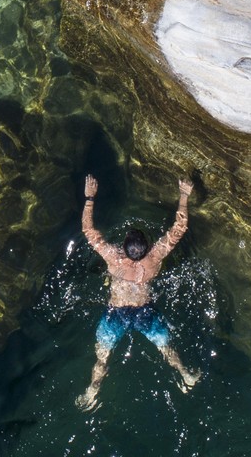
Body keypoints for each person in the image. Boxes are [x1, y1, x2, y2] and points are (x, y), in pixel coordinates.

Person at [76, 174, 201, 411]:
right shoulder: (154, 258)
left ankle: (93, 390)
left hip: (116, 312)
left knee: (101, 358)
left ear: (124, 247)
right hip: (145, 311)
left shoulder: (113, 258)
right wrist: (184, 195)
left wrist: (90, 197)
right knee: (166, 348)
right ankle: (186, 375)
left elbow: (87, 229)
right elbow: (179, 228)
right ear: (146, 246)